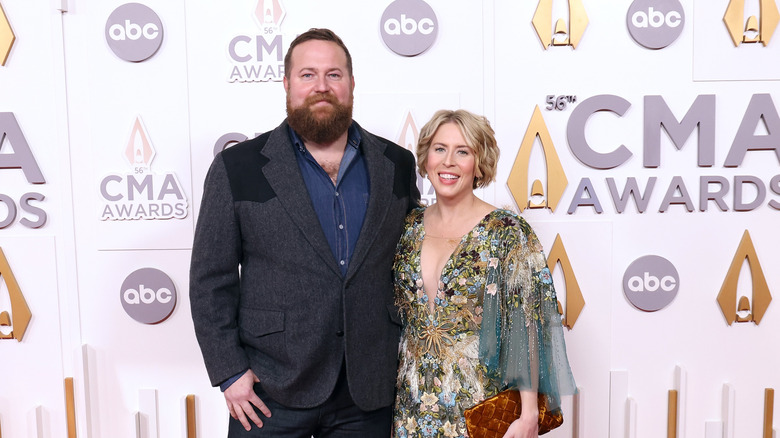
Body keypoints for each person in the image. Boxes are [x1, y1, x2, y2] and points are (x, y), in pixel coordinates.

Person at [190, 28, 420, 437]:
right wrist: (229, 372)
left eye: (334, 75)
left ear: (351, 84)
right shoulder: (238, 168)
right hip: (268, 389)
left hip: (368, 389)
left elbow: (412, 263)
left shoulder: (397, 163)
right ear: (286, 84)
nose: (322, 87)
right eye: (307, 75)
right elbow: (211, 280)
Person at [392, 110, 576, 438]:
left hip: (479, 411)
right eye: (439, 148)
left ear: (479, 163)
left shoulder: (507, 232)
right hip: (412, 408)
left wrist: (529, 412)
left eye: (462, 151)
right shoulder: (406, 227)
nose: (448, 161)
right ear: (425, 157)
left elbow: (527, 324)